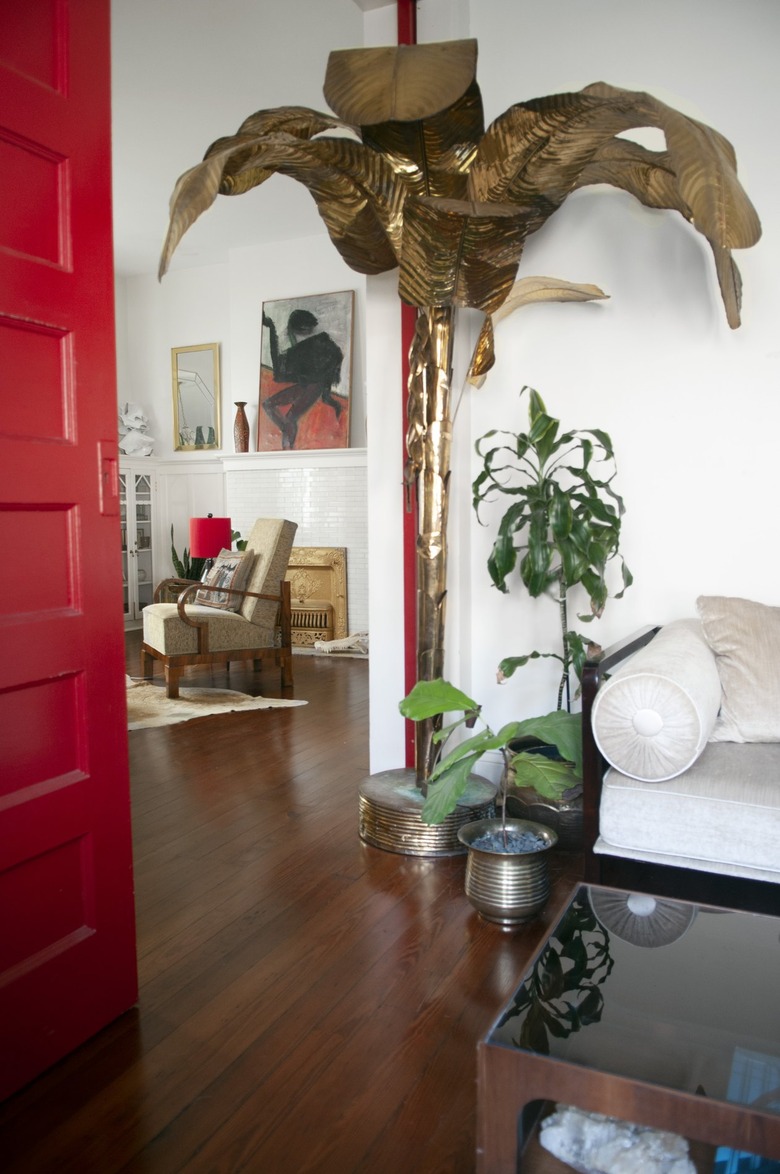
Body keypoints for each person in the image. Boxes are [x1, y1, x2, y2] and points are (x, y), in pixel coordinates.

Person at [261, 308, 345, 449]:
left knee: (289, 418)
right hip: (308, 384)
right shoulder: (312, 348)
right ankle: (287, 441)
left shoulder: (316, 347)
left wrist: (271, 328)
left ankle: (288, 447)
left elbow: (278, 372)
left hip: (314, 385)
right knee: (270, 406)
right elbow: (279, 373)